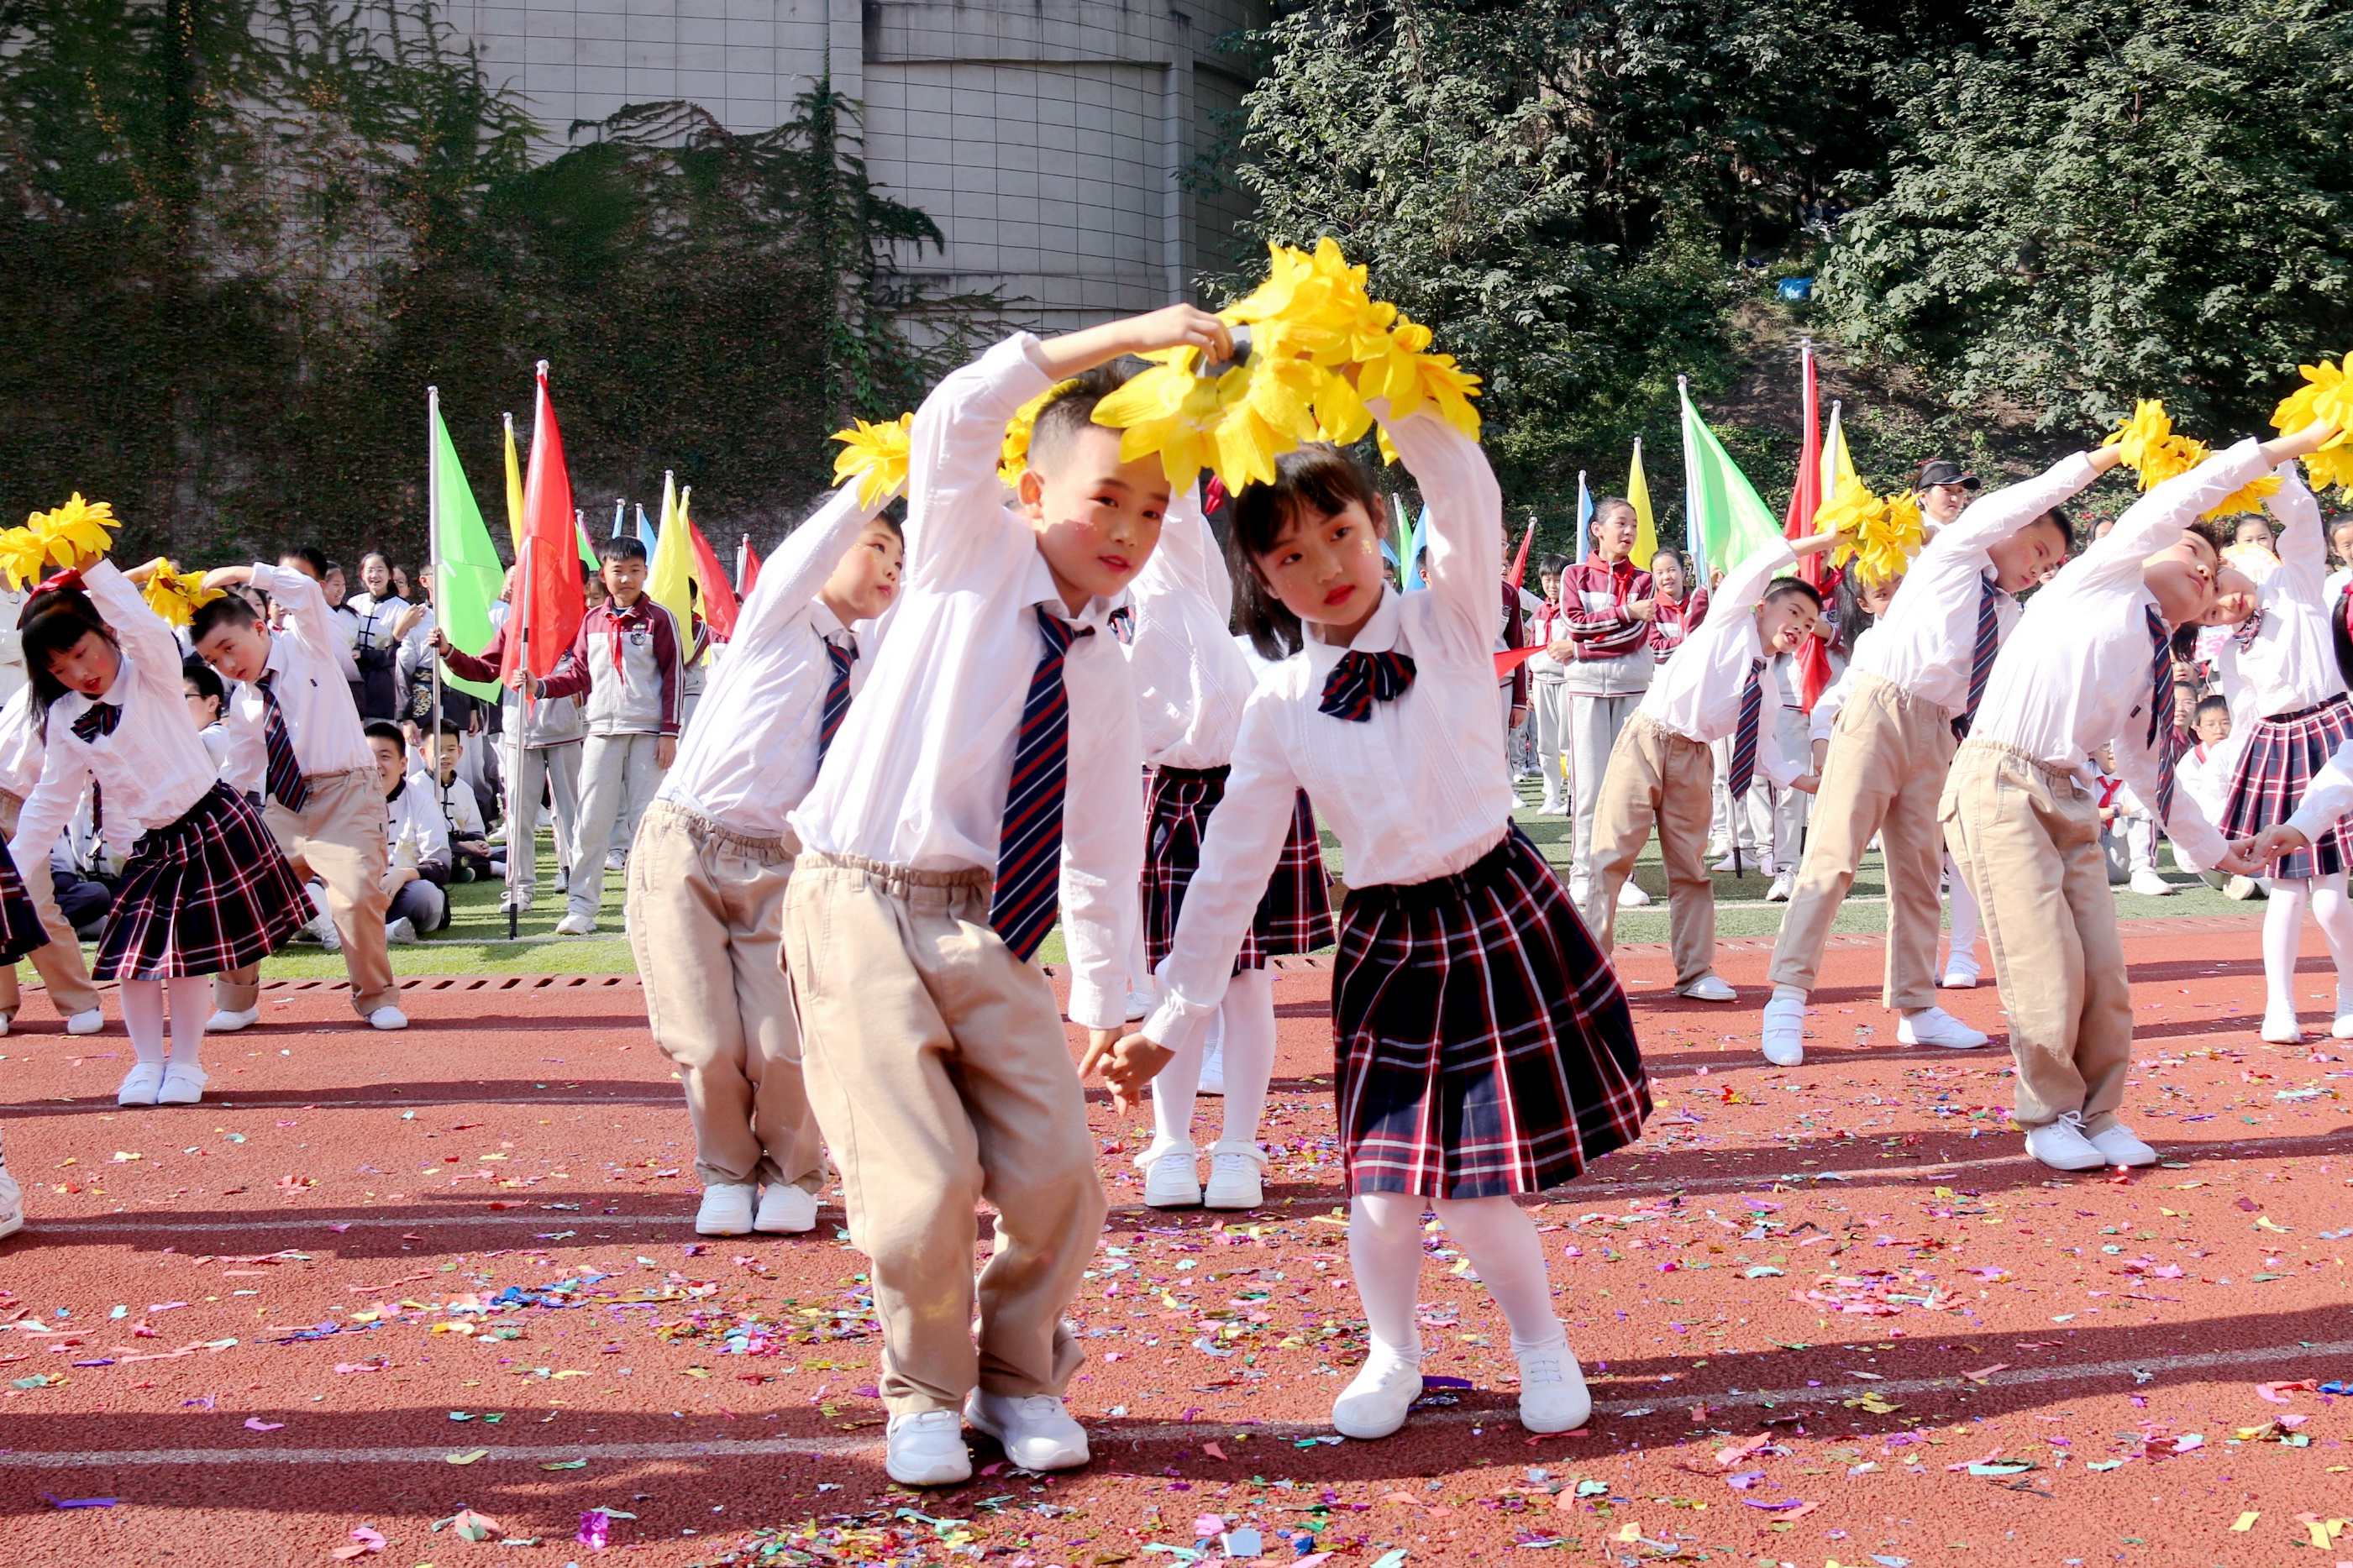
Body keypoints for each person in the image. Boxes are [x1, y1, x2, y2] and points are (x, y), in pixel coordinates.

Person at [1093, 412, 1646, 1449]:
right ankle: (1391, 1350)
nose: (1325, 566)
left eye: (1338, 532)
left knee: (1475, 1191)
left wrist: (1384, 386)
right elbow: (1228, 870)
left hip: (1496, 912)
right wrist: (1171, 1014)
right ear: (1261, 576)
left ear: (1377, 520)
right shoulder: (1279, 703)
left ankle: (1540, 1343)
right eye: (1289, 555)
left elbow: (1465, 488)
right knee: (1386, 1192)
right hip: (1388, 944)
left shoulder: (1447, 616)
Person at [783, 306, 1221, 1487]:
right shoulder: (964, 554)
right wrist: (1132, 336)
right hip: (857, 899)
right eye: (1105, 498)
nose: (1127, 528)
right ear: (1030, 492)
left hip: (982, 927)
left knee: (1057, 1170)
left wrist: (1107, 1004)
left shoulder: (1104, 662)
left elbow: (1097, 848)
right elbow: (958, 411)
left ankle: (1016, 1374)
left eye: (1152, 510)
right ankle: (923, 1388)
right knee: (919, 1182)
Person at [1941, 427, 2322, 1173]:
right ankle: (2047, 1113)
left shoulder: (2156, 666)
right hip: (1997, 783)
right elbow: (2184, 497)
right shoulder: (2101, 576)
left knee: (2104, 974)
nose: (2205, 574)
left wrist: (2218, 851)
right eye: (2194, 554)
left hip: (2070, 796)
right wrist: (2280, 449)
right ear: (2145, 547)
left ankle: (2099, 1112)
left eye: (2213, 572)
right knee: (2042, 963)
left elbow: (2154, 778)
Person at [1759, 448, 2118, 1067]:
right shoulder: (1956, 553)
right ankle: (1787, 998)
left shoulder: (2011, 614)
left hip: (1943, 732)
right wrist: (2106, 456)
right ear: (2008, 530)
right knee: (1833, 854)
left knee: (1921, 872)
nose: (2039, 569)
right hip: (1881, 707)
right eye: (2036, 551)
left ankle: (1915, 1005)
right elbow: (2032, 491)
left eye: (2051, 564)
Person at [631, 475, 903, 1239]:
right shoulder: (778, 616)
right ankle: (725, 1171)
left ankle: (791, 1171)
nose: (889, 567)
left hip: (785, 864)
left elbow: (949, 591)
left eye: (899, 559)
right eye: (875, 545)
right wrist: (892, 467)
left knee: (789, 1038)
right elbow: (811, 543)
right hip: (686, 841)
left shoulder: (875, 657)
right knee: (705, 1037)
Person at [11, 557, 308, 1106]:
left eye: (82, 652)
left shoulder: (149, 668)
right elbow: (51, 800)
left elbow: (143, 625)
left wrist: (94, 566)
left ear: (104, 630)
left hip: (211, 824)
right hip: (152, 845)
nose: (80, 672)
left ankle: (186, 1064)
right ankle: (147, 1064)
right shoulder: (66, 717)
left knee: (187, 962)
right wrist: (12, 870)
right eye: (59, 668)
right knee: (134, 962)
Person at [1125, 484, 1334, 1212]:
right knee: (1169, 977)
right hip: (1165, 791)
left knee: (1244, 979)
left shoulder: (1179, 563)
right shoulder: (1085, 597)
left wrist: (1176, 426)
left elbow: (1177, 505)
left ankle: (1239, 1146)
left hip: (1245, 782)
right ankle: (1172, 1142)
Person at [1583, 531, 1841, 1000]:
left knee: (1692, 869)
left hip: (1695, 758)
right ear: (1763, 606)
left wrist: (1813, 782)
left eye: (1809, 626)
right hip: (1648, 738)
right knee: (1611, 856)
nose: (1800, 628)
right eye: (1794, 613)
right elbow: (1763, 557)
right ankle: (1590, 971)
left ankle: (1696, 971)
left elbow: (1764, 753)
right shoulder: (1728, 621)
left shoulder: (1765, 686)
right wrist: (1829, 539)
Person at [192, 563, 409, 1031]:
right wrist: (212, 813)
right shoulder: (246, 701)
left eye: (229, 648)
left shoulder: (308, 645)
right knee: (240, 890)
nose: (228, 665)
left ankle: (376, 998)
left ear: (258, 627)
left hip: (348, 793)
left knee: (353, 897)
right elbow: (242, 768)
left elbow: (306, 590)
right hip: (284, 806)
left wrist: (239, 571)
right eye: (213, 661)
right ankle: (236, 1001)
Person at [2206, 463, 2353, 1041]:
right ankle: (2280, 1003)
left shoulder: (2296, 588)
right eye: (2215, 603)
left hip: (2330, 732)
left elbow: (2300, 521)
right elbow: (2241, 717)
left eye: (2233, 588)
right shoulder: (2228, 654)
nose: (2229, 604)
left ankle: (2346, 989)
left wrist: (2272, 468)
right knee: (2287, 889)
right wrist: (2223, 786)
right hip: (2274, 748)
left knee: (2328, 894)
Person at [518, 536, 684, 936]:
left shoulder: (659, 619)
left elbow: (673, 678)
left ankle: (639, 908)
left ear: (646, 573)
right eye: (617, 571)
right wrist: (539, 686)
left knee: (644, 824)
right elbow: (579, 675)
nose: (626, 578)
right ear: (603, 575)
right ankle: (581, 908)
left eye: (634, 570)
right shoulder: (591, 622)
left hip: (647, 734)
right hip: (600, 730)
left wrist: (669, 732)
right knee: (590, 821)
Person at [433, 569, 587, 909]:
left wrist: (563, 694)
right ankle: (521, 888)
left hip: (564, 734)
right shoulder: (512, 629)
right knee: (518, 816)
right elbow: (483, 669)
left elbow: (584, 675)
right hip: (520, 735)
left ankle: (579, 886)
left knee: (572, 813)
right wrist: (448, 652)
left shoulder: (573, 627)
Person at [1555, 498, 1657, 906]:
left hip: (1632, 689)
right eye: (1620, 523)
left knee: (1627, 787)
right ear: (1597, 530)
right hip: (1586, 691)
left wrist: (1581, 650)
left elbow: (1632, 639)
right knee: (1590, 786)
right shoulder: (1574, 574)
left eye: (1633, 524)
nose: (1628, 531)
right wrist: (1625, 612)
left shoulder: (1645, 579)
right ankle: (1582, 873)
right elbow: (1575, 623)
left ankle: (1621, 874)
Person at [0, 684, 105, 1036]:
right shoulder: (27, 691)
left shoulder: (82, 698)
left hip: (29, 806)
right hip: (12, 793)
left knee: (39, 905)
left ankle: (80, 1000)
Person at [367, 720, 450, 941]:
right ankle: (385, 932)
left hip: (402, 891)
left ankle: (338, 929)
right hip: (358, 891)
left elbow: (441, 865)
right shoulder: (346, 799)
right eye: (369, 758)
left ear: (403, 764)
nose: (376, 765)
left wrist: (402, 875)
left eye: (384, 757)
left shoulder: (421, 801)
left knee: (427, 896)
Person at [1525, 553, 1573, 815]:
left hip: (1566, 680)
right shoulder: (1539, 613)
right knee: (1545, 743)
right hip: (1542, 681)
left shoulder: (1572, 611)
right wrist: (1530, 687)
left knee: (1568, 742)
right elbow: (1531, 648)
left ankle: (1572, 795)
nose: (1552, 585)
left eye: (1557, 580)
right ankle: (1551, 795)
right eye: (1547, 579)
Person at [344, 551, 407, 721]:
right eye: (370, 570)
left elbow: (401, 651)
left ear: (390, 575)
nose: (374, 575)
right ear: (362, 575)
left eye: (380, 570)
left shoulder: (401, 608)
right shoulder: (354, 603)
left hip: (383, 681)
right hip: (354, 677)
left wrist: (365, 655)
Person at [1646, 548, 1704, 663]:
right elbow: (1653, 650)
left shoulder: (1699, 605)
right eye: (1659, 573)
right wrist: (1691, 640)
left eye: (1671, 570)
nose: (1666, 577)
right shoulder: (1650, 610)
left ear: (1683, 572)